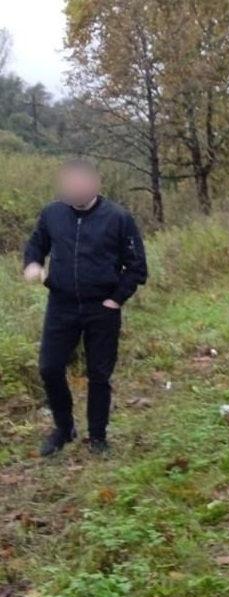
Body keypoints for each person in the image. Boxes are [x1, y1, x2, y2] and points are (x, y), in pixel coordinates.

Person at [22, 161, 148, 457]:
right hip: (61, 306)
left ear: (95, 185)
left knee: (99, 375)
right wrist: (33, 264)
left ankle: (98, 436)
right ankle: (64, 428)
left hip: (102, 308)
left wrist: (116, 299)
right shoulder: (52, 214)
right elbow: (35, 245)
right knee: (50, 368)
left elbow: (137, 266)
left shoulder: (118, 218)